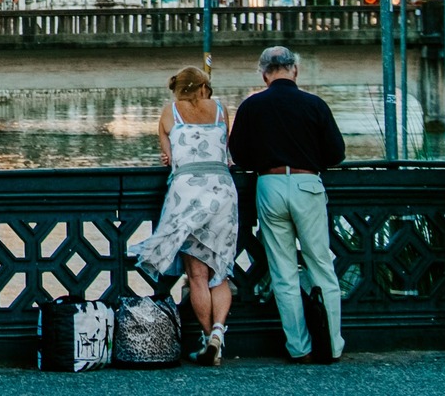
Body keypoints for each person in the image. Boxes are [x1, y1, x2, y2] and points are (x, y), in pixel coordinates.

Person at [228, 46, 347, 364]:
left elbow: (238, 154)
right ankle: (332, 346)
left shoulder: (252, 106)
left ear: (265, 74)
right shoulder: (314, 104)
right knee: (321, 266)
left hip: (269, 184)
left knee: (283, 272)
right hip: (308, 183)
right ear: (295, 70)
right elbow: (336, 153)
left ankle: (300, 348)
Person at [128, 66, 238, 366]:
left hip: (187, 192)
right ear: (203, 87)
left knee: (197, 275)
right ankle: (218, 332)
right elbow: (224, 150)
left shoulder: (169, 114)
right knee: (220, 270)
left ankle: (206, 340)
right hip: (223, 192)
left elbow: (170, 159)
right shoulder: (220, 111)